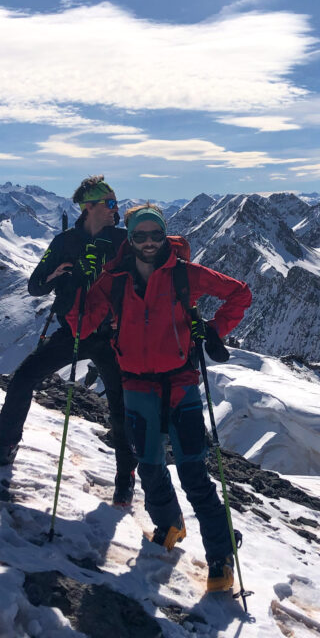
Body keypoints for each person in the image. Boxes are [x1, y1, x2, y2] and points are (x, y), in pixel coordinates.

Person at [67, 204, 251, 592]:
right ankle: (169, 524)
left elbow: (239, 293)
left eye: (155, 235)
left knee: (193, 474)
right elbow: (82, 325)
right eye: (140, 236)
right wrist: (78, 292)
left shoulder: (186, 274)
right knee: (149, 466)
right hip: (136, 384)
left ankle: (219, 555)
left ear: (165, 236)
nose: (149, 242)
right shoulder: (113, 279)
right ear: (130, 239)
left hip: (180, 383)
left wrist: (213, 331)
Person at [0, 176, 138, 508]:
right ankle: (4, 446)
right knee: (23, 379)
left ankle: (125, 479)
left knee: (120, 408)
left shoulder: (124, 241)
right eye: (109, 203)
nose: (115, 209)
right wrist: (57, 276)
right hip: (74, 330)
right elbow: (36, 286)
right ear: (89, 207)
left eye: (116, 203)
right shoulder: (65, 242)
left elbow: (141, 283)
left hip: (110, 334)